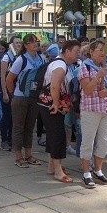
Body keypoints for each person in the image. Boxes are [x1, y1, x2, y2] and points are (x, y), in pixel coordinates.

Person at [38, 39, 81, 183]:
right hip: (51, 105)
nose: (78, 54)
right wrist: (56, 104)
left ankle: (52, 166)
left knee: (52, 135)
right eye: (76, 52)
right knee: (58, 137)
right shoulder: (60, 65)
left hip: (46, 103)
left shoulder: (59, 63)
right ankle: (58, 170)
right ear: (67, 51)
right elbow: (55, 86)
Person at [78, 39, 107, 188]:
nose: (103, 53)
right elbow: (87, 89)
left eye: (104, 50)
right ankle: (86, 172)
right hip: (90, 109)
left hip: (106, 109)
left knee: (104, 141)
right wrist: (98, 76)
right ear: (91, 51)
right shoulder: (84, 66)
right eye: (100, 49)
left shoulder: (104, 67)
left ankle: (98, 170)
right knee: (88, 142)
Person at [6, 34, 45, 168]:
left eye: (37, 41)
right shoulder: (20, 60)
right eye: (32, 42)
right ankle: (18, 156)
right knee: (18, 128)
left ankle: (28, 154)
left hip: (34, 97)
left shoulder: (40, 58)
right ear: (26, 45)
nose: (35, 44)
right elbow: (9, 79)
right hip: (20, 97)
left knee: (29, 127)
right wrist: (13, 94)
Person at [0, 36, 22, 151]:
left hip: (15, 88)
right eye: (16, 42)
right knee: (7, 115)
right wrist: (4, 93)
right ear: (11, 44)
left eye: (20, 43)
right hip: (6, 89)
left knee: (14, 116)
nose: (19, 44)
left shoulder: (19, 56)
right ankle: (4, 140)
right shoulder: (7, 57)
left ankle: (11, 139)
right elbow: (3, 77)